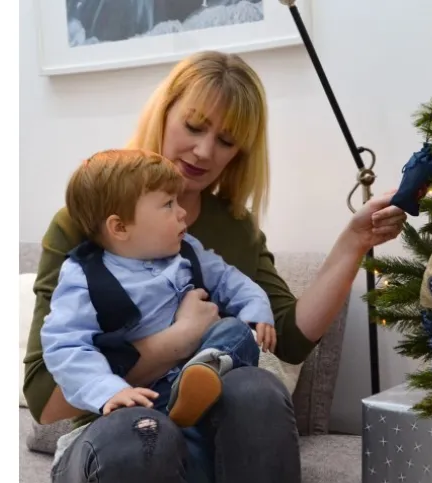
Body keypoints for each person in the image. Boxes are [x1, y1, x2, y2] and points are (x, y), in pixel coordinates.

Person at [22, 50, 407, 483]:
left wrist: (353, 243)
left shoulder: (232, 230)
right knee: (143, 433)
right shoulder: (90, 220)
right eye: (195, 126)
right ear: (165, 114)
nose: (205, 151)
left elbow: (289, 338)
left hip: (207, 436)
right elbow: (45, 397)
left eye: (226, 140)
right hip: (107, 435)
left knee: (257, 389)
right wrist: (178, 341)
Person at [41, 148, 277, 429]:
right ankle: (187, 399)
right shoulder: (84, 276)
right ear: (120, 227)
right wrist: (108, 390)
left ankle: (202, 373)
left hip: (210, 381)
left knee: (236, 331)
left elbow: (229, 279)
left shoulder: (187, 250)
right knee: (155, 435)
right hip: (149, 395)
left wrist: (255, 307)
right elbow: (66, 346)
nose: (182, 212)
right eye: (168, 204)